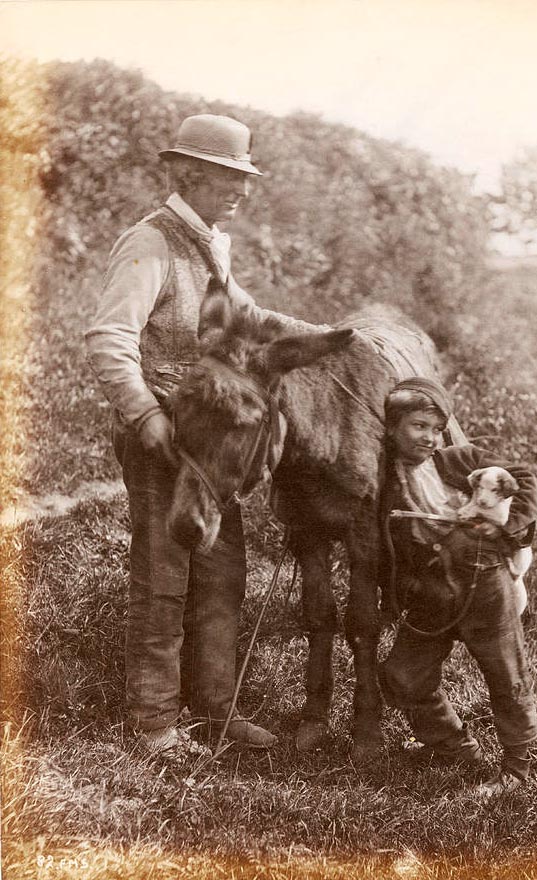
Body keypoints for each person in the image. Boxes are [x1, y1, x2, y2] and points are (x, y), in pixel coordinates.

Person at [85, 114, 322, 759]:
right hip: (164, 438)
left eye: (243, 177)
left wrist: (329, 339)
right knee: (163, 579)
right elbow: (110, 339)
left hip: (213, 442)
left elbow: (246, 316)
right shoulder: (150, 244)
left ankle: (216, 714)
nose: (239, 189)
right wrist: (146, 416)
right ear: (188, 173)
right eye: (226, 176)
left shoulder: (211, 243)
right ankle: (155, 721)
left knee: (221, 576)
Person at [378, 377, 537, 797]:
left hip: (485, 583)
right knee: (403, 675)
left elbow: (524, 477)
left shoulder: (459, 460)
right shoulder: (382, 478)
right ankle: (454, 747)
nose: (430, 438)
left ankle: (516, 770)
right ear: (393, 425)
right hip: (429, 591)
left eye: (436, 428)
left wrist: (508, 524)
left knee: (507, 674)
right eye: (419, 426)